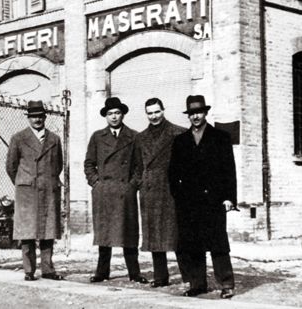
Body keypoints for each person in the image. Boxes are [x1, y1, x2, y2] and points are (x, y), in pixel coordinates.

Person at [168, 95, 237, 299]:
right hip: (189, 203)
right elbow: (173, 173)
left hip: (213, 201)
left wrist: (229, 198)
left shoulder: (220, 137)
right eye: (191, 114)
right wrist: (178, 195)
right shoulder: (180, 141)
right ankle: (198, 284)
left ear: (205, 113)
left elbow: (229, 171)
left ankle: (226, 284)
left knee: (218, 244)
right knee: (193, 245)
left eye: (198, 112)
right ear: (188, 116)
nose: (195, 117)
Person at [84, 97, 148, 284]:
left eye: (117, 113)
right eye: (110, 113)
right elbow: (89, 164)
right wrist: (96, 183)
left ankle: (134, 273)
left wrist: (132, 186)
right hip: (104, 192)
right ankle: (102, 272)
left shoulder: (134, 136)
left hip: (124, 193)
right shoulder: (97, 136)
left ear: (123, 114)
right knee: (105, 235)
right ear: (106, 116)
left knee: (129, 234)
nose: (114, 117)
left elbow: (139, 166)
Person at [6, 100, 64, 282]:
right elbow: (11, 166)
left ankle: (48, 269)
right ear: (28, 118)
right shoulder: (18, 138)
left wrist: (48, 180)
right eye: (33, 116)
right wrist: (24, 182)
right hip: (27, 192)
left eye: (40, 116)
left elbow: (58, 165)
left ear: (45, 117)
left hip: (48, 190)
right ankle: (29, 271)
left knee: (48, 232)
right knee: (28, 233)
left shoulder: (54, 139)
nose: (37, 119)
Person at [133, 98, 186, 288]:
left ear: (163, 110)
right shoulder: (140, 137)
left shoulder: (178, 132)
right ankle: (161, 277)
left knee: (177, 233)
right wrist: (140, 183)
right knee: (155, 234)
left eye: (157, 112)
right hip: (149, 191)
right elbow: (137, 166)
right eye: (150, 113)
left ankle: (188, 275)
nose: (154, 116)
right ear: (146, 114)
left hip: (171, 189)